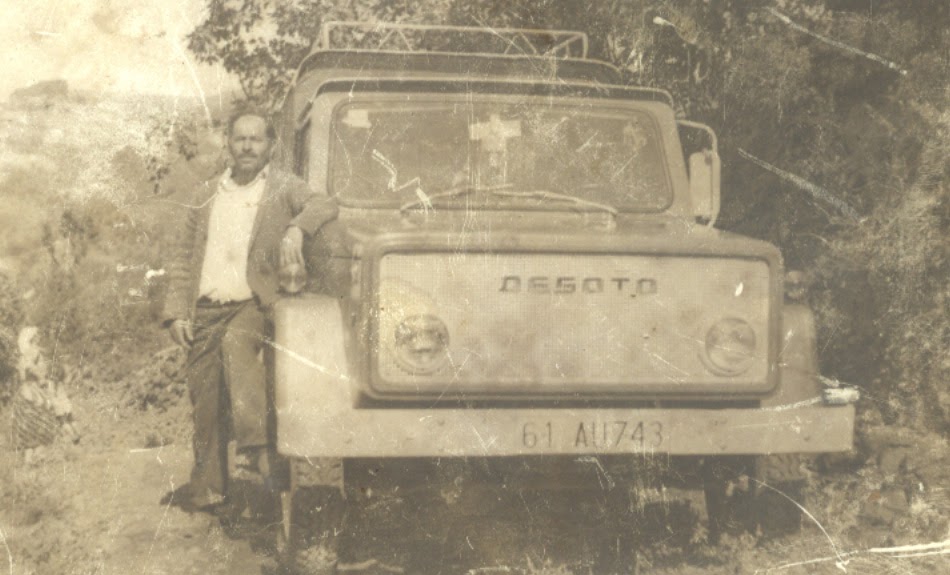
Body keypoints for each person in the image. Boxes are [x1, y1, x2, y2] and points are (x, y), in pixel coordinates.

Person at [162, 108, 337, 511]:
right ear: (228, 144)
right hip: (205, 307)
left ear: (270, 146)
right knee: (204, 397)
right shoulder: (205, 194)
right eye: (239, 139)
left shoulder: (282, 188)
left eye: (255, 139)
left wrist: (297, 227)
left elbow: (325, 203)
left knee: (237, 347)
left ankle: (258, 453)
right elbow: (183, 256)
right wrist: (176, 313)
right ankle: (209, 488)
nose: (247, 147)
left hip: (253, 304)